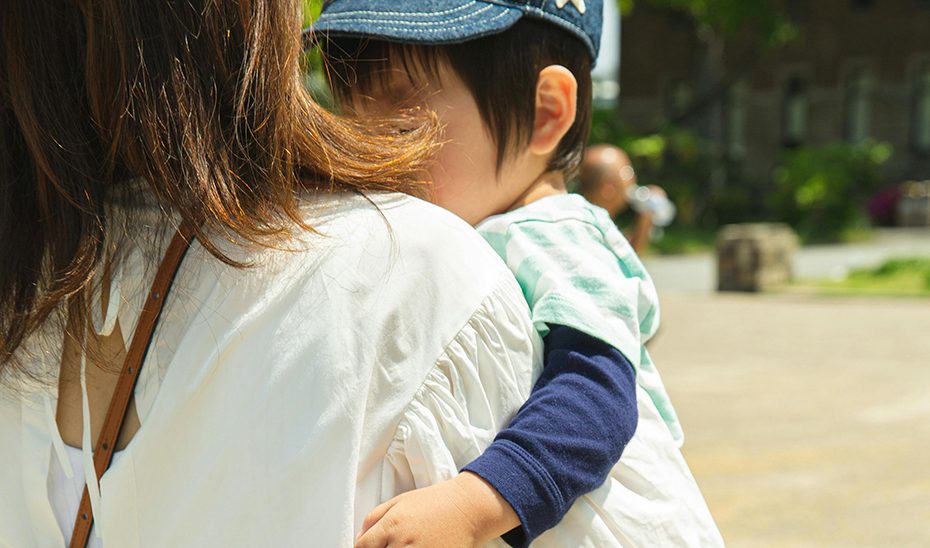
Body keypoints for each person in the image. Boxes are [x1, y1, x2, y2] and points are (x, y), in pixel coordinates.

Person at [0, 2, 545, 546]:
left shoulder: (32, 276)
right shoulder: (414, 271)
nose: (374, 132)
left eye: (405, 123)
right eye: (350, 99)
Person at [317, 0, 723, 546]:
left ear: (545, 112)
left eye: (401, 128)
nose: (366, 157)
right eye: (349, 125)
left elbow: (594, 395)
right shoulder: (478, 227)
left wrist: (472, 504)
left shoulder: (553, 233)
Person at [579, 145, 672, 254]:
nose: (633, 179)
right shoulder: (591, 234)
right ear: (608, 187)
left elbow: (625, 256)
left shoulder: (585, 225)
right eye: (627, 173)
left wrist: (645, 219)